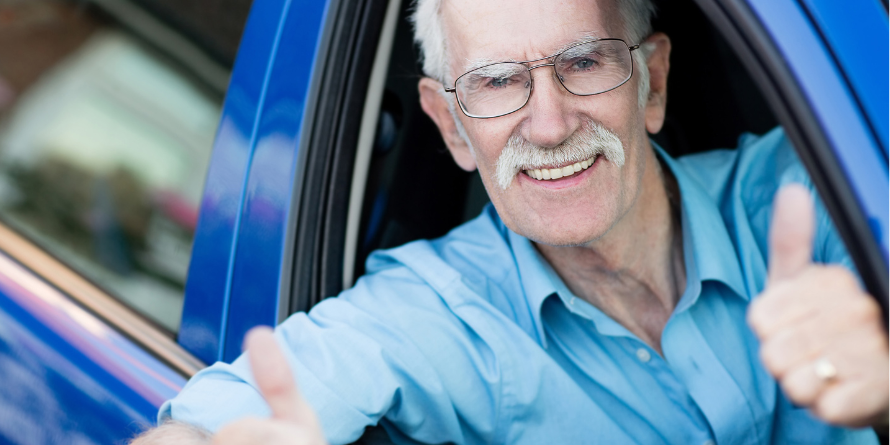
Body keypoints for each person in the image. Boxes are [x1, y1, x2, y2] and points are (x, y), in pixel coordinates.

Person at [132, 0, 889, 443]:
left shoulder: (815, 190)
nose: (551, 123)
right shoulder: (432, 315)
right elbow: (207, 428)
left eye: (585, 62)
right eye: (497, 82)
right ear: (453, 127)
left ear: (651, 82)